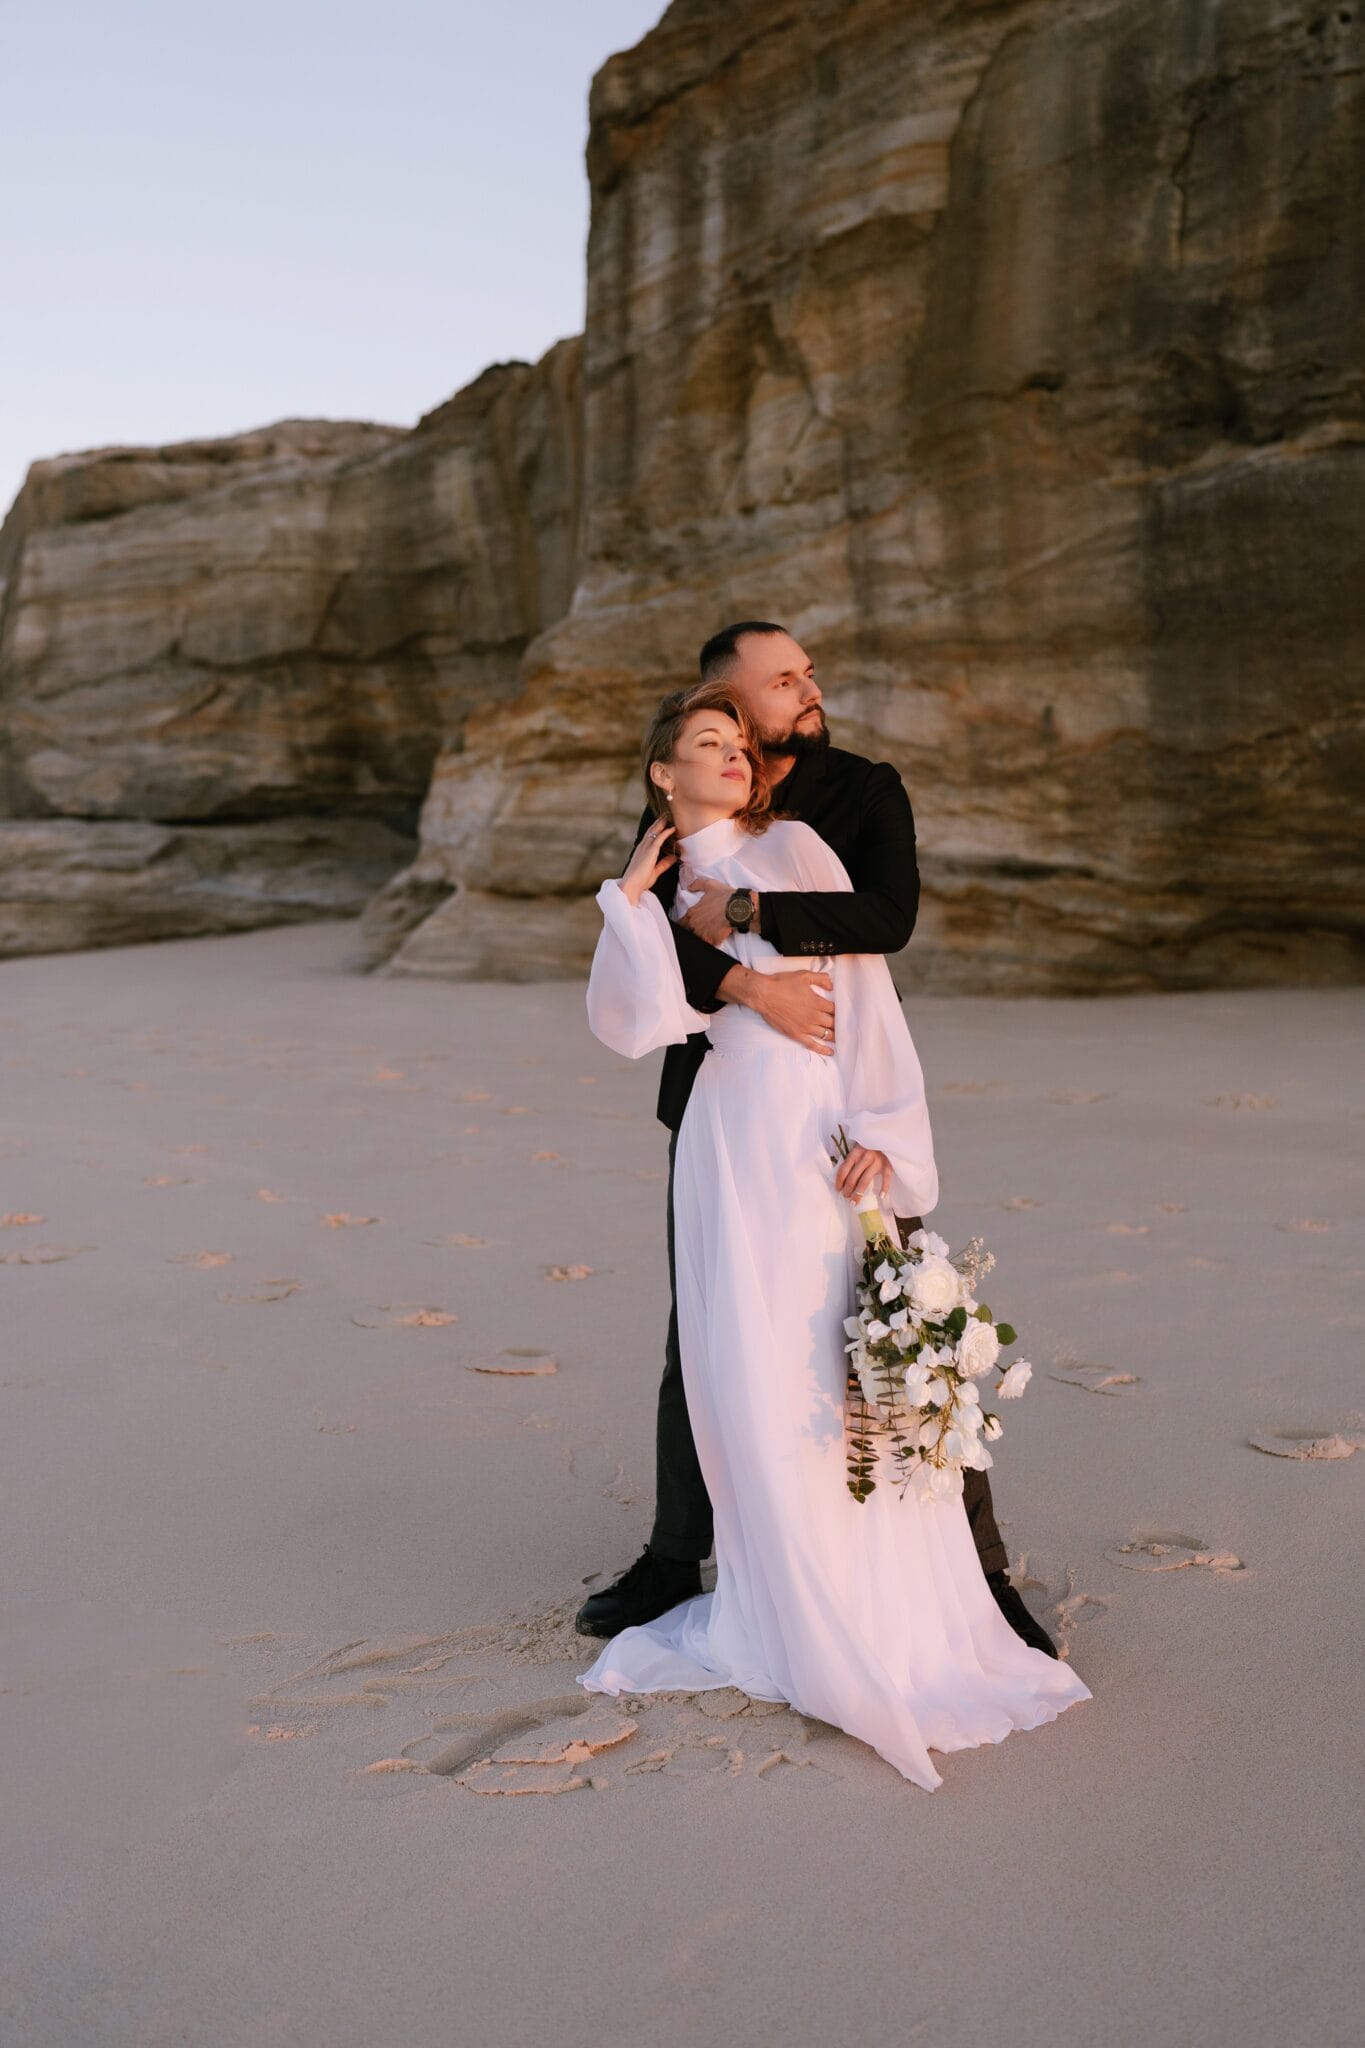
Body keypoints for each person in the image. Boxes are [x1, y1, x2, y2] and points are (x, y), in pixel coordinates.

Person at [574, 683, 1090, 1787]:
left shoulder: (800, 843)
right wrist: (633, 903)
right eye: (705, 744)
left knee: (826, 1351)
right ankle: (779, 1591)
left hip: (815, 1125)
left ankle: (867, 1589)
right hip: (727, 1136)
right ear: (661, 772)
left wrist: (883, 1136)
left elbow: (868, 997)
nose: (732, 756)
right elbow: (638, 1021)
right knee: (747, 1364)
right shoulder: (656, 880)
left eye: (739, 744)